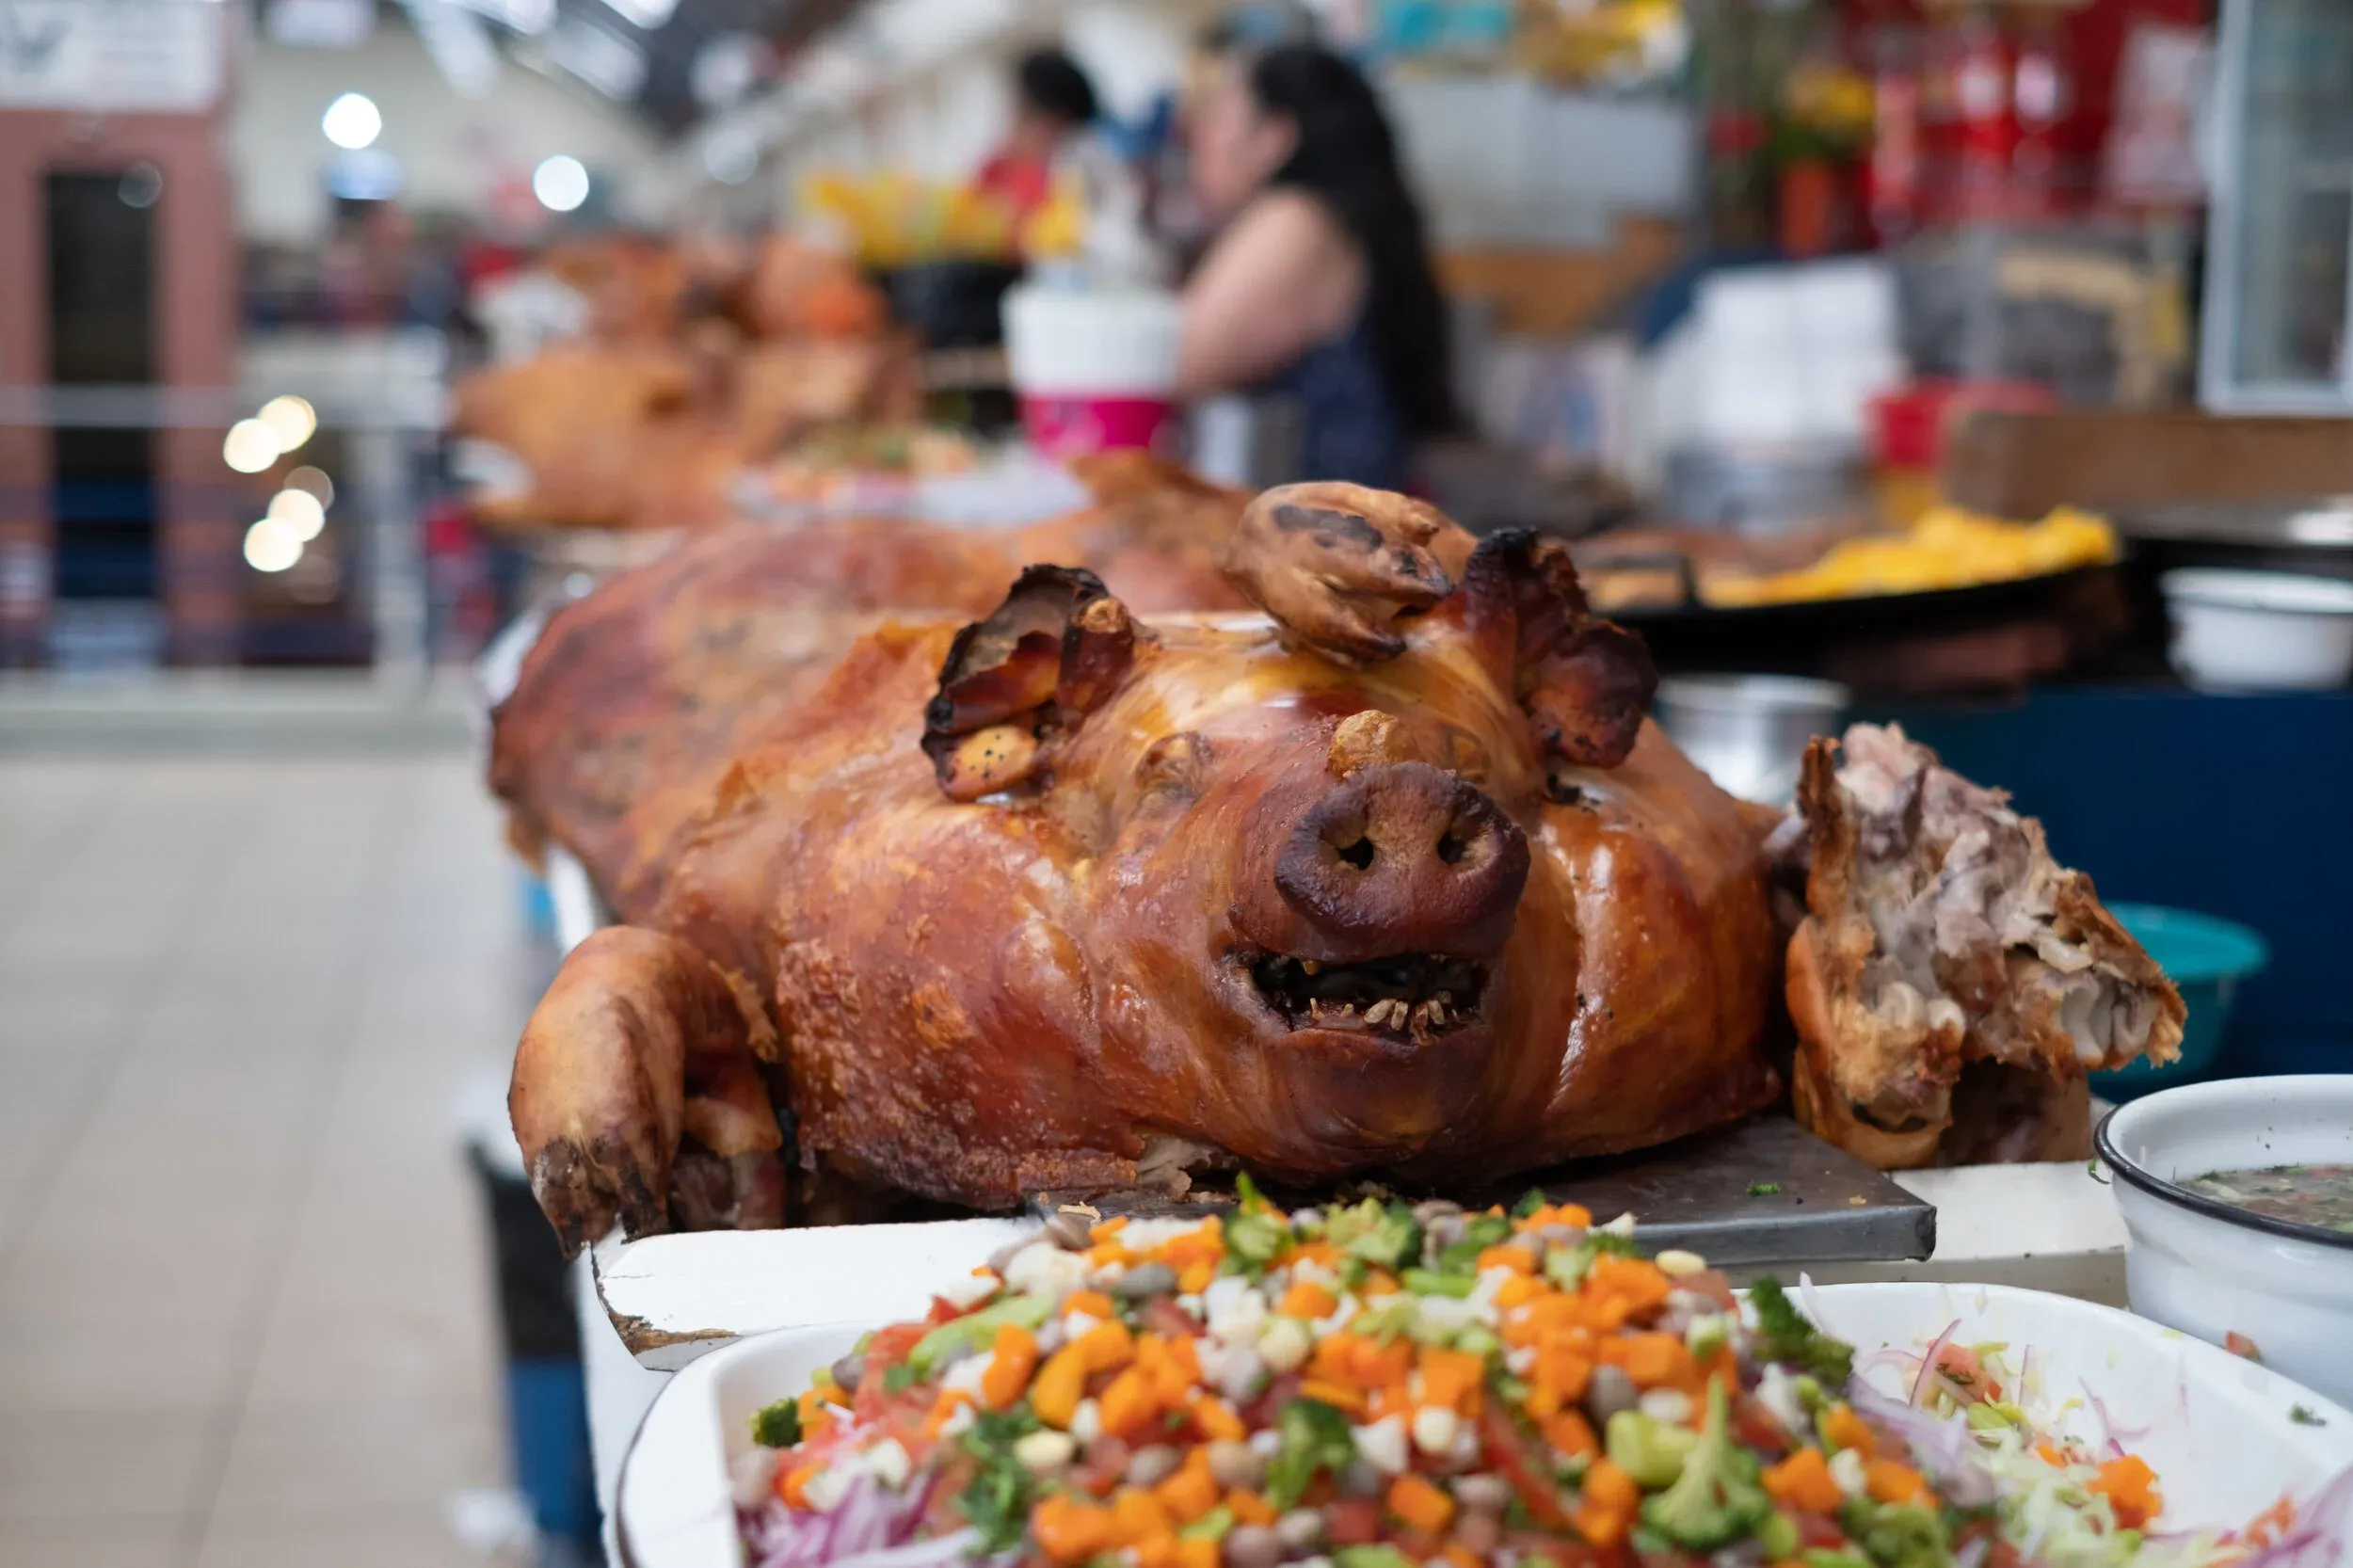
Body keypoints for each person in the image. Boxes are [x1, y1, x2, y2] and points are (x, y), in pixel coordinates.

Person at [1176, 42, 1457, 490]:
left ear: (1275, 138)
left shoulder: (1295, 222)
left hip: (1324, 537)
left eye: (1219, 120)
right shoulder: (1339, 219)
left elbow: (1177, 363)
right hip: (1349, 526)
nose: (1200, 139)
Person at [975, 48, 1101, 228]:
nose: (1011, 129)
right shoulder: (995, 171)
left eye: (1023, 115)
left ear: (1056, 122)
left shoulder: (1082, 175)